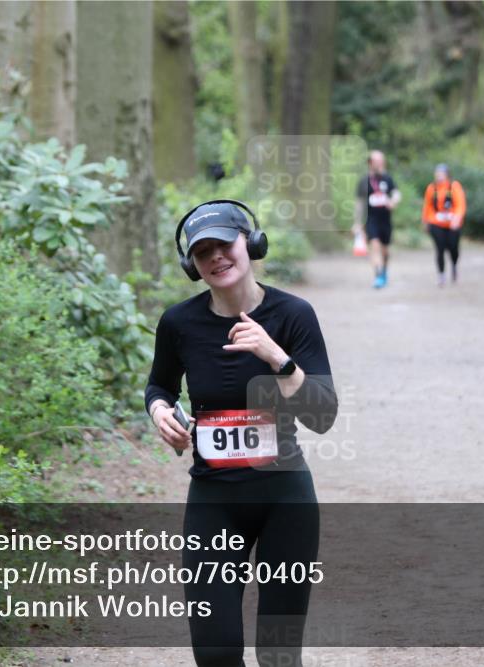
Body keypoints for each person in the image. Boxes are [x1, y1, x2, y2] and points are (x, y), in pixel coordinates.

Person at [145, 199, 338, 667]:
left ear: (250, 244)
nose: (215, 257)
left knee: (277, 654)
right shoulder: (178, 323)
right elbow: (160, 385)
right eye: (202, 251)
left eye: (224, 244)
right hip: (214, 500)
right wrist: (159, 412)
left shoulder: (294, 315)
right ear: (190, 264)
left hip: (285, 501)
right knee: (215, 653)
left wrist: (277, 358)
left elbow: (322, 415)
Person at [353, 150, 400, 289]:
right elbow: (359, 204)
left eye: (382, 161)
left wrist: (393, 201)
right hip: (371, 219)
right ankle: (378, 275)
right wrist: (356, 222)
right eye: (377, 161)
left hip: (385, 220)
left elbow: (397, 193)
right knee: (374, 246)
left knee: (385, 251)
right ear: (370, 163)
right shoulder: (363, 181)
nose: (380, 163)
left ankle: (384, 270)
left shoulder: (387, 178)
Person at [421, 163, 466, 286]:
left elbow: (460, 204)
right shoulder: (432, 188)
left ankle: (454, 265)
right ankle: (441, 275)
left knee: (453, 248)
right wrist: (425, 220)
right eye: (437, 173)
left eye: (441, 173)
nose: (439, 176)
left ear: (447, 174)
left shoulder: (454, 186)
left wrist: (457, 218)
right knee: (439, 248)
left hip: (452, 224)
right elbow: (427, 206)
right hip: (436, 223)